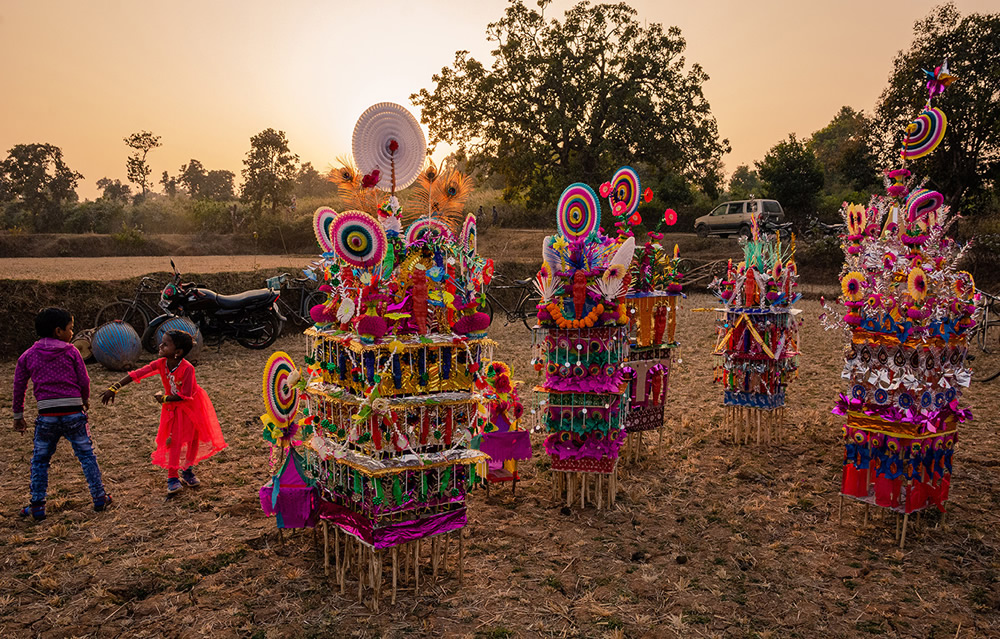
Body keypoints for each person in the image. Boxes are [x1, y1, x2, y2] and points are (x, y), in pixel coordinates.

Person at [13, 308, 112, 521]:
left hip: (46, 416)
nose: (72, 333)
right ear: (59, 331)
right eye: (70, 329)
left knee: (40, 460)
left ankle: (37, 506)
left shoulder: (28, 355)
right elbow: (84, 380)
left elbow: (19, 385)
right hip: (73, 413)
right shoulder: (71, 352)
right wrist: (84, 400)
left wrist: (18, 415)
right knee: (86, 456)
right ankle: (99, 497)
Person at [101, 330, 226, 496]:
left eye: (165, 344)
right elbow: (139, 373)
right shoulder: (161, 363)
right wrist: (115, 387)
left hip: (191, 407)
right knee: (173, 440)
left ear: (178, 352)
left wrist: (164, 399)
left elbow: (186, 395)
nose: (160, 346)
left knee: (192, 439)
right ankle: (172, 477)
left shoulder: (187, 369)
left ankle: (187, 471)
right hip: (172, 409)